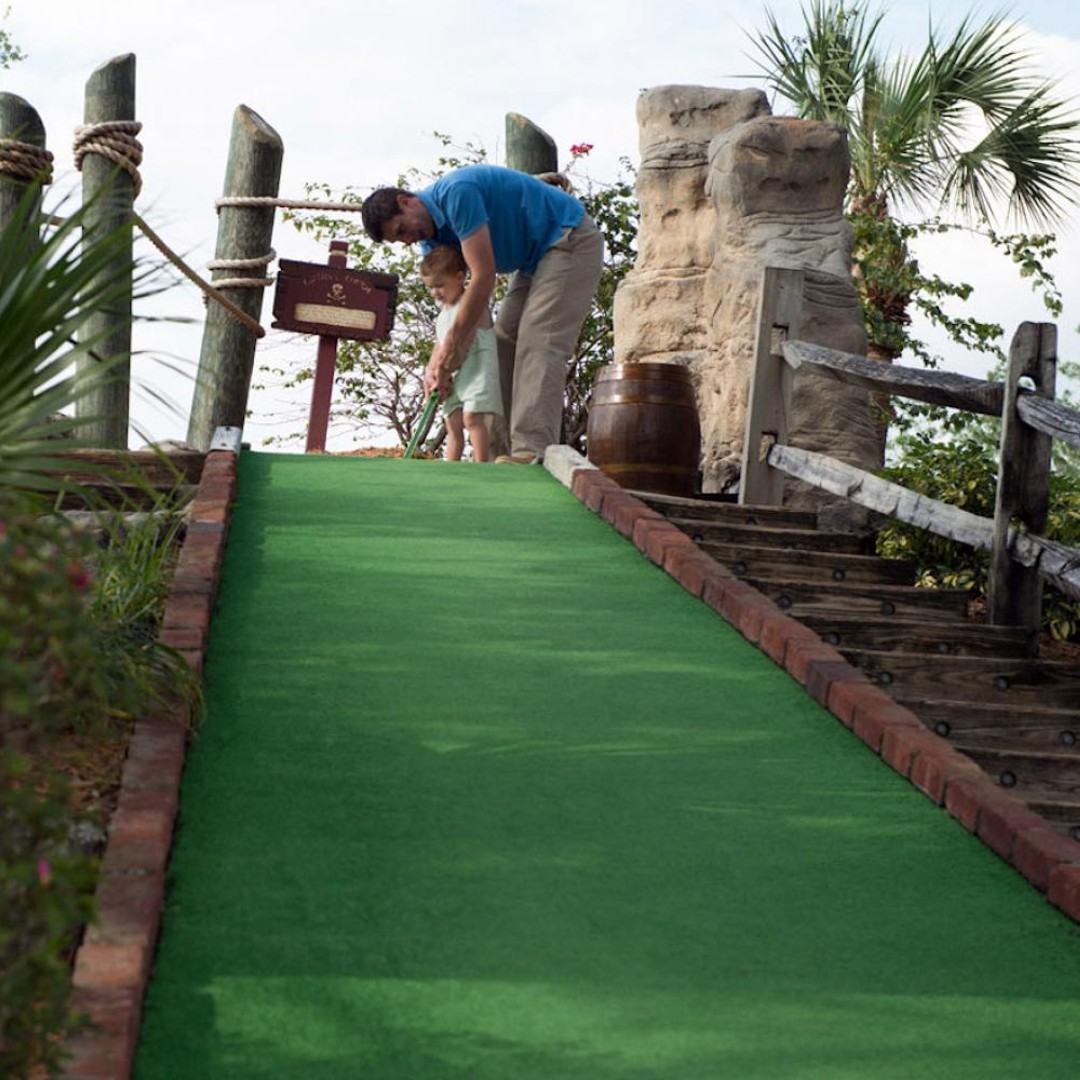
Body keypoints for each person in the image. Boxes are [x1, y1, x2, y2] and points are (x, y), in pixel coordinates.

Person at [361, 163, 605, 464]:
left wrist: (454, 347)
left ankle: (531, 451)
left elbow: (483, 276)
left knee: (539, 340)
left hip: (567, 238)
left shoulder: (456, 193)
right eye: (400, 240)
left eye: (402, 230)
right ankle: (497, 454)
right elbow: (456, 313)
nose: (409, 239)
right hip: (532, 263)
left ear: (406, 201)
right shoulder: (431, 244)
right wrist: (437, 364)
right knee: (501, 342)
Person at [418, 244, 501, 462]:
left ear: (460, 277)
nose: (435, 293)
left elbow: (463, 341)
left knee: (472, 418)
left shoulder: (473, 304)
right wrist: (433, 373)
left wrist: (444, 370)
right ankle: (451, 468)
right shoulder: (442, 314)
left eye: (440, 285)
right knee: (452, 423)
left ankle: (480, 465)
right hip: (451, 376)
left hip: (477, 370)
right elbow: (440, 346)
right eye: (430, 288)